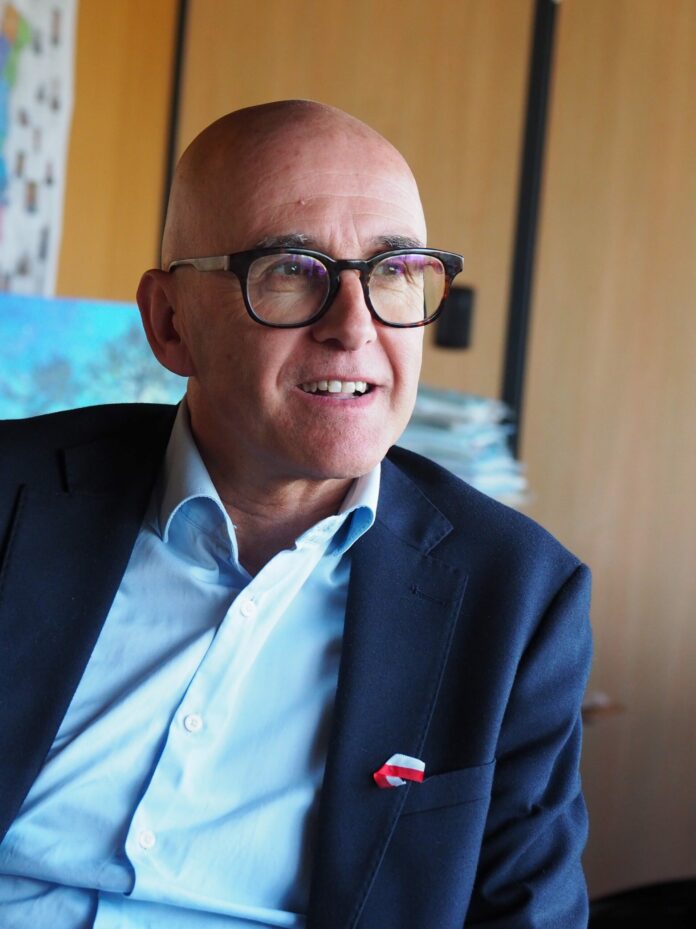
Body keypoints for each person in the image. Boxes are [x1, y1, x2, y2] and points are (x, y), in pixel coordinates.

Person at [0, 100, 592, 928]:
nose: (355, 327)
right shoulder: (15, 497)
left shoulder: (517, 595)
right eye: (291, 269)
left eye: (395, 271)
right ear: (170, 323)